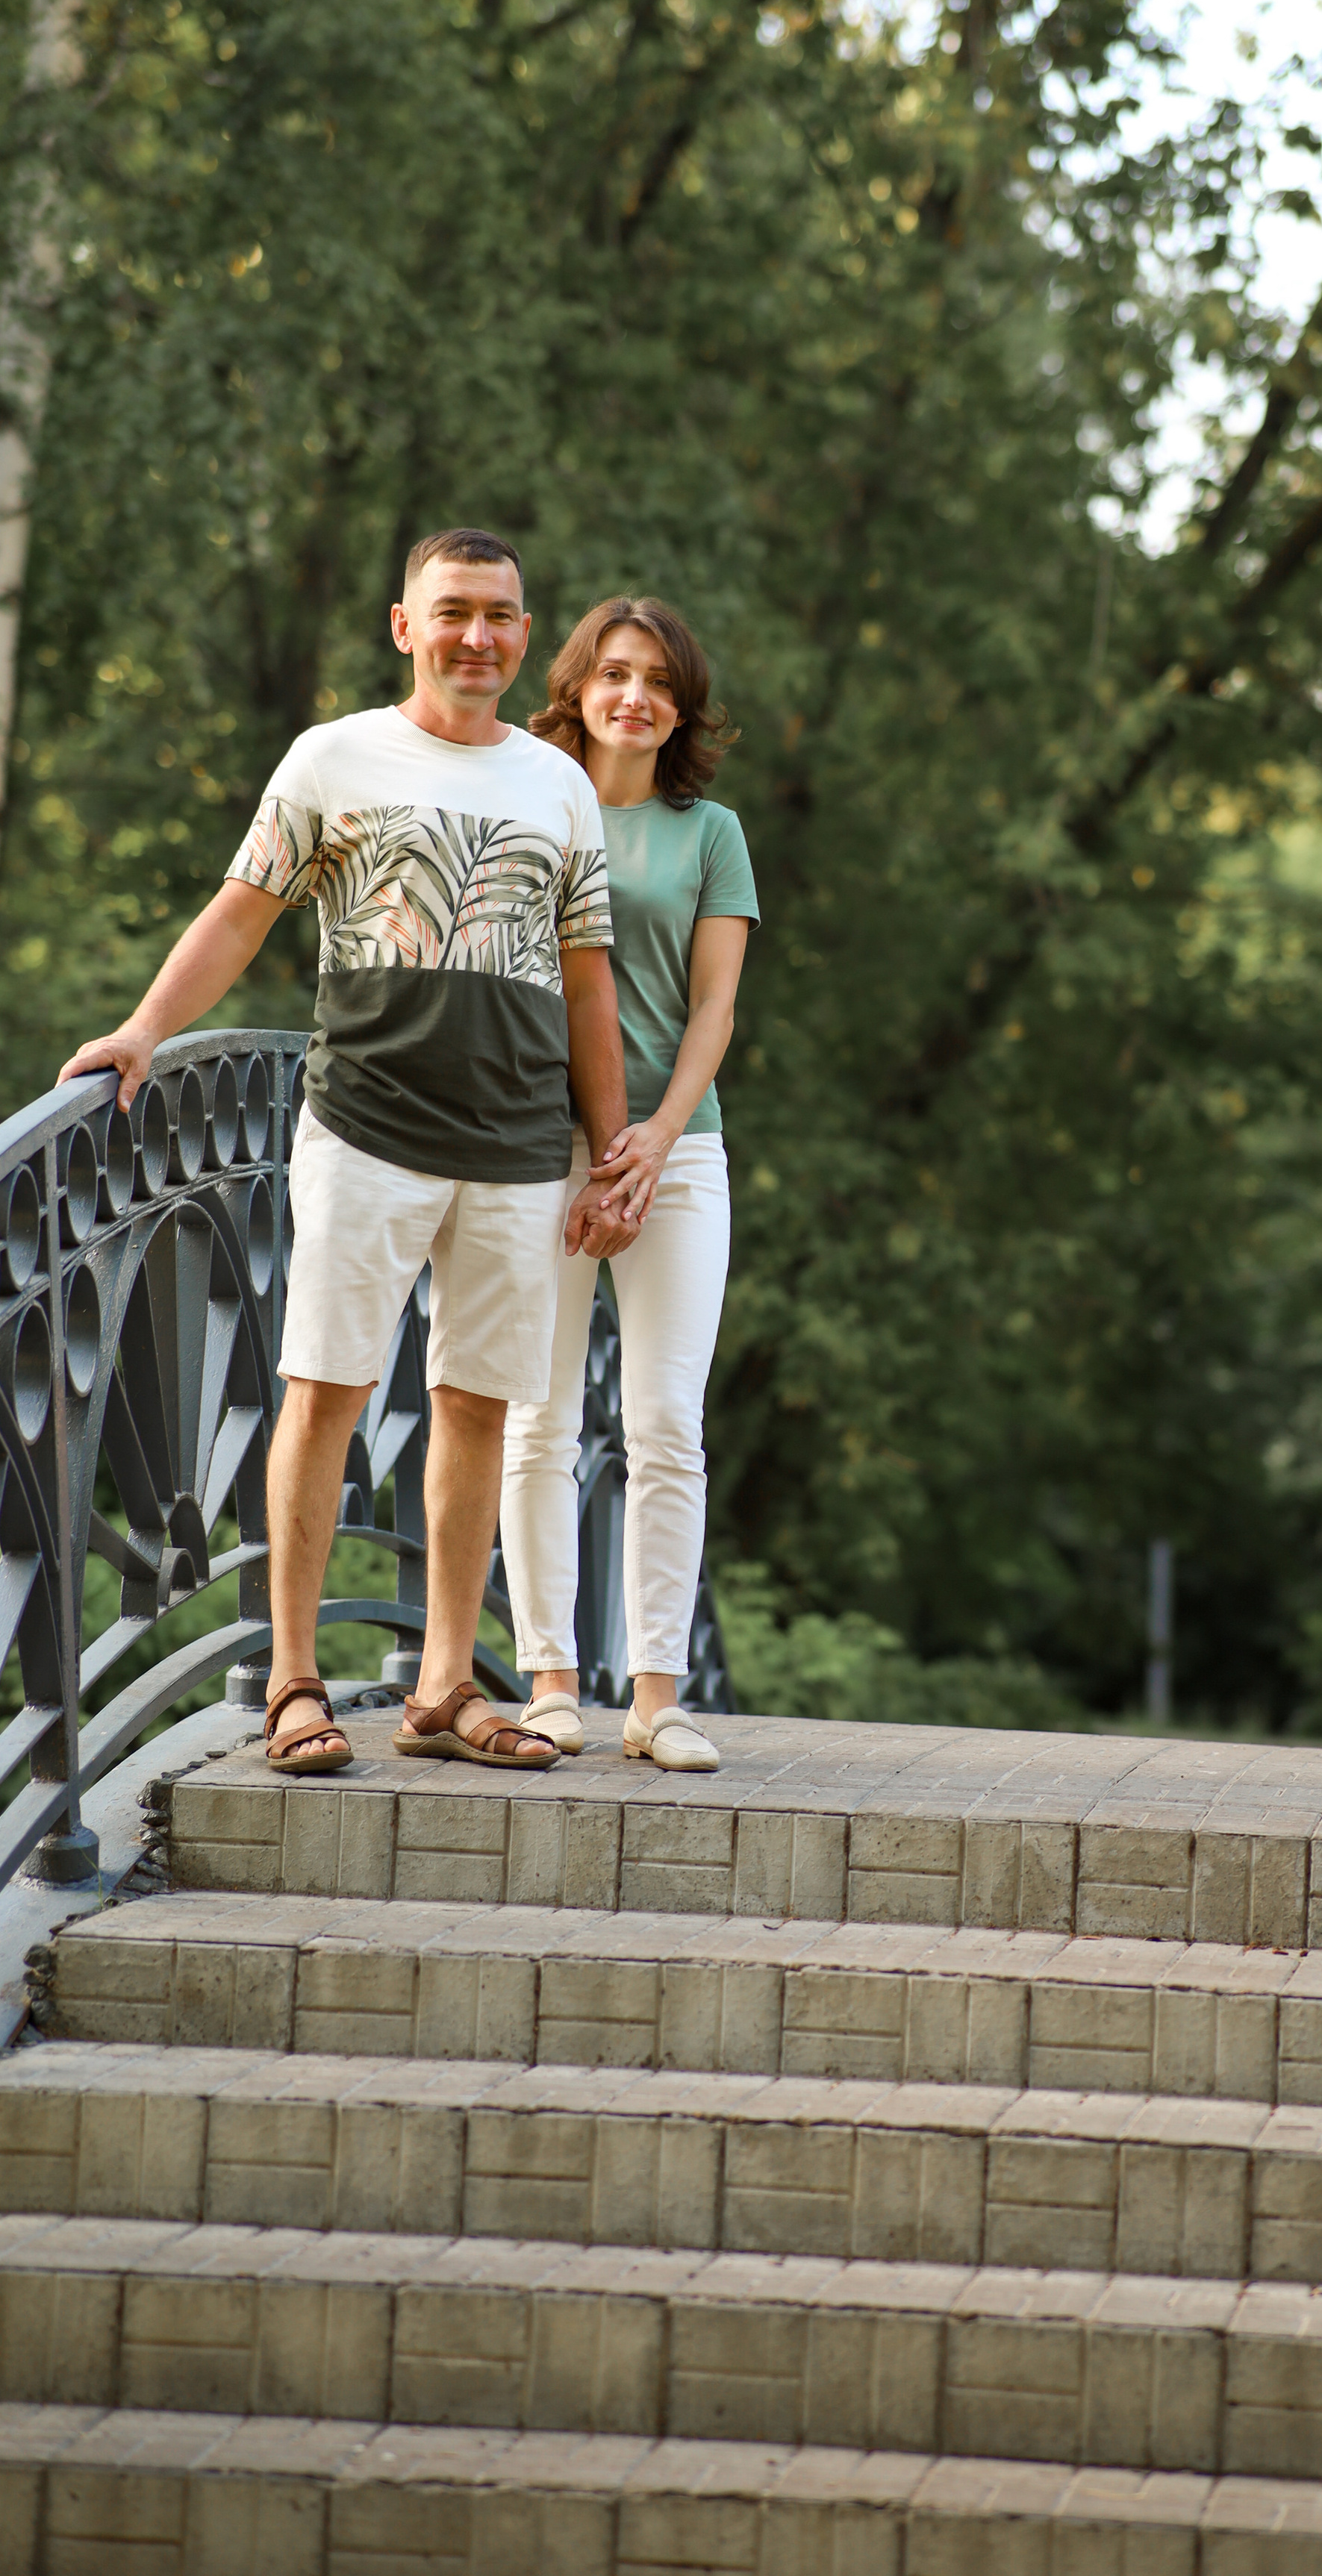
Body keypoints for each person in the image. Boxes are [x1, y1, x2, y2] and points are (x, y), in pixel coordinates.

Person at [59, 529, 632, 1777]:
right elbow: (240, 912)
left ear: (525, 634)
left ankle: (441, 1687)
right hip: (366, 1125)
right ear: (402, 625)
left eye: (501, 614)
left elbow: (589, 984)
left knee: (477, 1407)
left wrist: (612, 1144)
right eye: (453, 611)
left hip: (522, 1145)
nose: (477, 634)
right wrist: (146, 1030)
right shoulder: (335, 757)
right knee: (326, 1391)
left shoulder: (560, 782)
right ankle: (294, 1682)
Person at [497, 595, 758, 1773]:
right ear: (579, 687)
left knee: (663, 1426)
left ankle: (659, 1697)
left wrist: (652, 1137)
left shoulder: (712, 833)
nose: (633, 696)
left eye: (655, 678)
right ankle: (550, 1681)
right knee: (538, 1418)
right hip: (535, 1149)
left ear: (680, 704)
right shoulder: (528, 803)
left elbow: (714, 1007)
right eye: (612, 673)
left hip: (677, 1154)